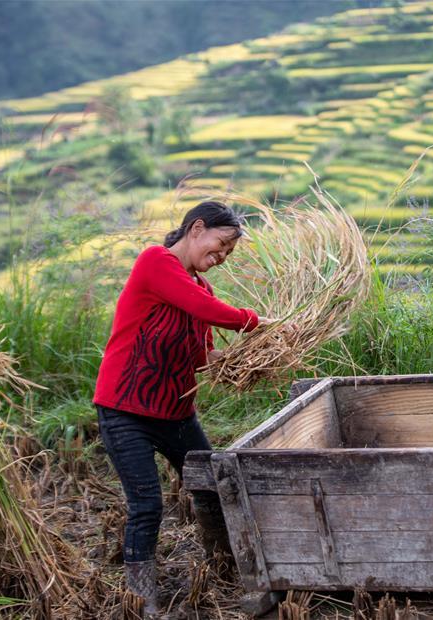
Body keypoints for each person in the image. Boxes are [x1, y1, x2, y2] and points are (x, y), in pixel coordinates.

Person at [93, 201, 271, 614]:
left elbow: (201, 355)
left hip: (175, 413)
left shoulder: (201, 289)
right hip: (126, 410)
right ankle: (143, 599)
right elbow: (206, 310)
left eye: (229, 252)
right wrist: (260, 323)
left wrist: (249, 363)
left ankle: (227, 569)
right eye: (221, 244)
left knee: (212, 488)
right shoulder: (156, 262)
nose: (222, 256)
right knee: (147, 505)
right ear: (196, 228)